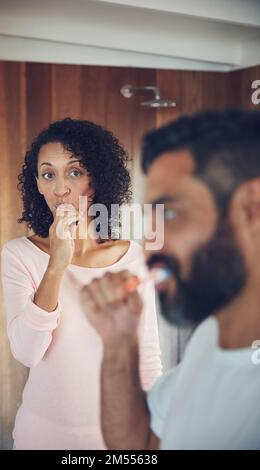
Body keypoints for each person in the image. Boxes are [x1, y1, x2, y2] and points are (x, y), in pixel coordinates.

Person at [81, 109, 260, 450]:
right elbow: (143, 445)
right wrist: (119, 343)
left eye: (172, 214)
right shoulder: (212, 336)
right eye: (150, 221)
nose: (150, 248)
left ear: (253, 209)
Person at [1, 118, 162, 450]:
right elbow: (28, 352)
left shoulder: (132, 258)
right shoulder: (19, 255)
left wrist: (151, 434)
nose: (61, 188)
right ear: (38, 185)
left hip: (116, 438)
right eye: (49, 174)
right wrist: (58, 262)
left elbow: (146, 358)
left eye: (74, 172)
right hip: (41, 438)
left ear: (96, 178)